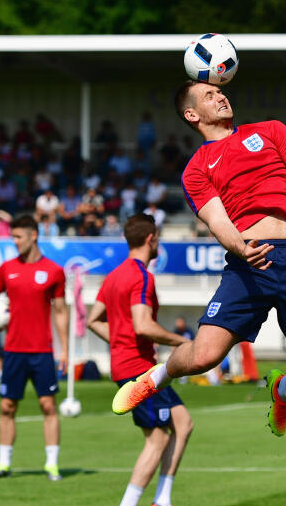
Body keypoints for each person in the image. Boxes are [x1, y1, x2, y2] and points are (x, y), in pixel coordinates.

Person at [112, 80, 286, 438]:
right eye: (208, 96)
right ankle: (156, 377)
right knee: (204, 357)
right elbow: (217, 220)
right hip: (251, 260)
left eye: (220, 92)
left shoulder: (271, 130)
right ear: (191, 114)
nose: (220, 96)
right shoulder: (196, 168)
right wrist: (240, 247)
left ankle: (285, 389)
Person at [87, 214, 193, 506]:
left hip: (129, 365)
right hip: (140, 369)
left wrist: (120, 341)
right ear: (151, 238)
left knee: (182, 424)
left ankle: (162, 498)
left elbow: (94, 320)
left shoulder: (113, 276)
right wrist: (183, 342)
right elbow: (143, 325)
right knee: (157, 438)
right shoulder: (142, 276)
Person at [0, 215, 68, 481]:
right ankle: (3, 464)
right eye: (13, 237)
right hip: (13, 351)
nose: (14, 241)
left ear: (34, 235)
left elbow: (61, 312)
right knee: (7, 407)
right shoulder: (6, 269)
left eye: (18, 236)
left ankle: (52, 465)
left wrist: (64, 348)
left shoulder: (54, 271)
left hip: (42, 351)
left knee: (48, 406)